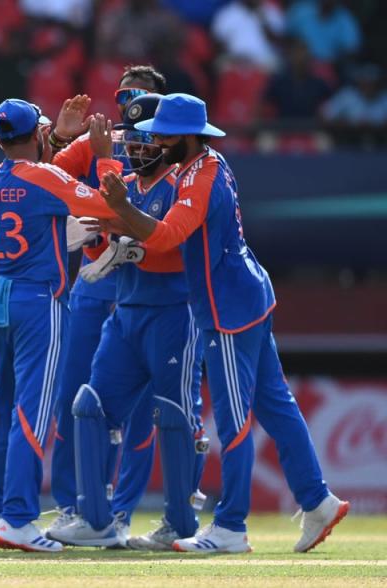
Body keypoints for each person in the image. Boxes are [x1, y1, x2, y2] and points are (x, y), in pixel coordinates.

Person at [96, 92, 350, 553]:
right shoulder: (202, 165)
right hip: (245, 296)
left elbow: (168, 235)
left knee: (235, 419)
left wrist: (121, 210)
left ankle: (231, 526)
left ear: (188, 136)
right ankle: (317, 501)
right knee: (275, 405)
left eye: (165, 134)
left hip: (228, 309)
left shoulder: (199, 178)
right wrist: (120, 218)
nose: (156, 139)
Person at [45, 94, 207, 550]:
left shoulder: (180, 182)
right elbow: (104, 210)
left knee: (173, 416)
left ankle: (178, 523)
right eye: (133, 140)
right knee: (90, 405)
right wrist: (90, 232)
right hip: (127, 313)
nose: (138, 148)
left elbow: (163, 238)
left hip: (175, 314)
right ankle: (98, 521)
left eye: (147, 139)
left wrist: (116, 225)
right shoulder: (129, 182)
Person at [0, 97, 126, 552]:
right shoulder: (45, 177)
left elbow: (43, 195)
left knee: (2, 406)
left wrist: (58, 140)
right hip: (38, 299)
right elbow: (109, 208)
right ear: (37, 135)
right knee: (32, 409)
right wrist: (102, 156)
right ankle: (20, 520)